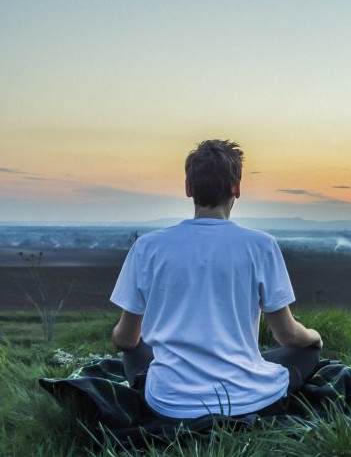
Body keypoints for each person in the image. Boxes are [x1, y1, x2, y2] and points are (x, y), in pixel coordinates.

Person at [109, 139, 322, 419]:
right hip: (247, 399)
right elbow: (287, 336)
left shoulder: (147, 247)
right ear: (236, 188)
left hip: (169, 403)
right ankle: (248, 374)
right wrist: (314, 337)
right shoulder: (261, 245)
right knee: (306, 352)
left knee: (136, 348)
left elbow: (125, 340)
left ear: (188, 189)